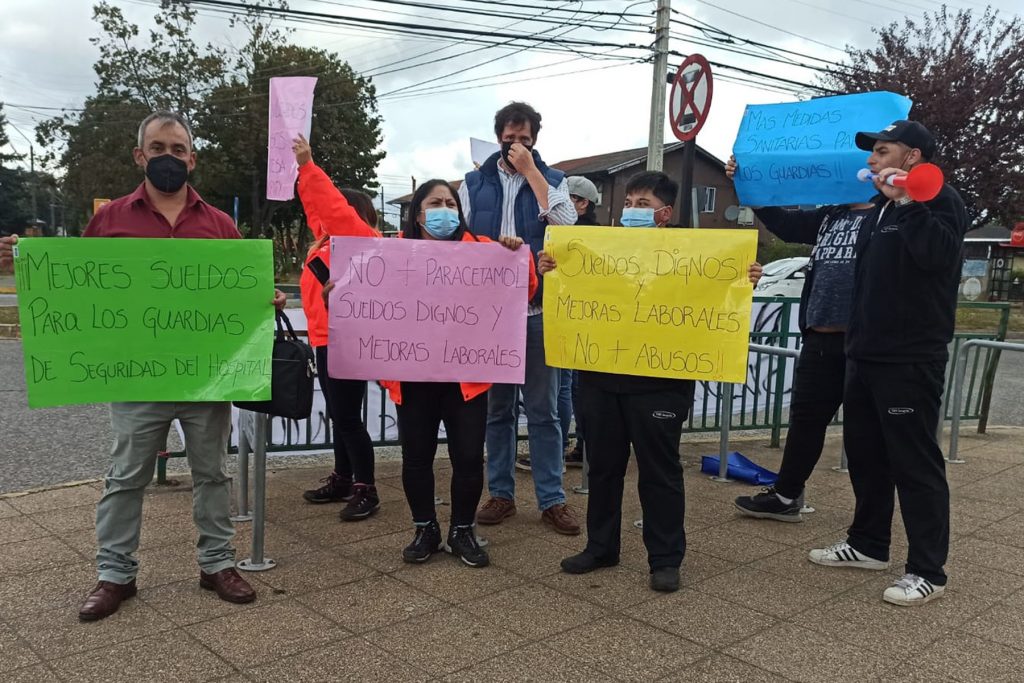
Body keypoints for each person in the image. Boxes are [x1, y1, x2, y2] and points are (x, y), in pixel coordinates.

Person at [5, 111, 285, 621]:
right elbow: (73, 288)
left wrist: (265, 299)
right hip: (136, 379)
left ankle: (216, 564)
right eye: (158, 148)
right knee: (125, 477)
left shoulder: (220, 225)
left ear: (192, 158)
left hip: (206, 379)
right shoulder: (109, 220)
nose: (168, 158)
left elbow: (240, 296)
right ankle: (115, 575)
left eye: (178, 150)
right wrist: (26, 264)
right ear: (140, 156)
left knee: (212, 475)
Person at [541, 171, 762, 592]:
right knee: (602, 468)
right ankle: (601, 547)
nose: (632, 210)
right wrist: (550, 265)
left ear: (665, 212)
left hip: (660, 383)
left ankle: (664, 558)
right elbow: (566, 270)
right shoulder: (598, 246)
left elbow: (724, 284)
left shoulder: (697, 252)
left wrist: (745, 274)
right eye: (629, 202)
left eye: (642, 204)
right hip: (600, 378)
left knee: (659, 472)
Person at [807, 120, 968, 606]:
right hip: (865, 354)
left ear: (913, 157)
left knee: (915, 463)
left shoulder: (942, 202)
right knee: (867, 456)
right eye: (872, 152)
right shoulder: (876, 208)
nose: (873, 160)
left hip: (909, 359)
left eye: (882, 150)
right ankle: (868, 544)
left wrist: (907, 202)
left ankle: (928, 570)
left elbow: (938, 256)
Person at [374, 179, 537, 567]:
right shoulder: (390, 253)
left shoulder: (482, 250)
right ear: (418, 213)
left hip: (467, 377)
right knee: (416, 457)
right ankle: (424, 528)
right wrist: (338, 294)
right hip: (412, 376)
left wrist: (516, 258)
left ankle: (462, 530)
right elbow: (361, 295)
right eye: (435, 202)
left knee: (467, 456)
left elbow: (524, 290)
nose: (445, 209)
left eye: (450, 202)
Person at [726, 153, 876, 522]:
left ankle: (870, 523)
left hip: (864, 343)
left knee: (866, 433)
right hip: (819, 339)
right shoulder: (831, 215)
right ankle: (786, 495)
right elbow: (786, 225)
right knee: (806, 422)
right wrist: (747, 184)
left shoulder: (886, 215)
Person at [458, 102, 581, 535]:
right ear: (498, 137)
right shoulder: (473, 183)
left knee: (545, 411)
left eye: (524, 139)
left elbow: (567, 223)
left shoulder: (554, 180)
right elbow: (460, 238)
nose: (517, 145)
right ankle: (501, 494)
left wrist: (533, 173)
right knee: (498, 410)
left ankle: (552, 499)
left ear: (534, 140)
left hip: (538, 310)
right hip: (490, 315)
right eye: (510, 139)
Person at [291, 135, 383, 522]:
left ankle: (366, 488)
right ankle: (344, 477)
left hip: (349, 341)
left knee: (347, 417)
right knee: (340, 414)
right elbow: (318, 208)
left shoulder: (362, 240)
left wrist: (307, 165)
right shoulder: (327, 244)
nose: (327, 216)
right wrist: (303, 178)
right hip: (325, 339)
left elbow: (329, 205)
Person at [561, 175, 601, 468]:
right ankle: (583, 447)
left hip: (580, 319)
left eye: (566, 200)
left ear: (582, 203)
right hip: (583, 319)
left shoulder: (581, 234)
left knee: (576, 389)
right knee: (575, 389)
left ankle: (583, 447)